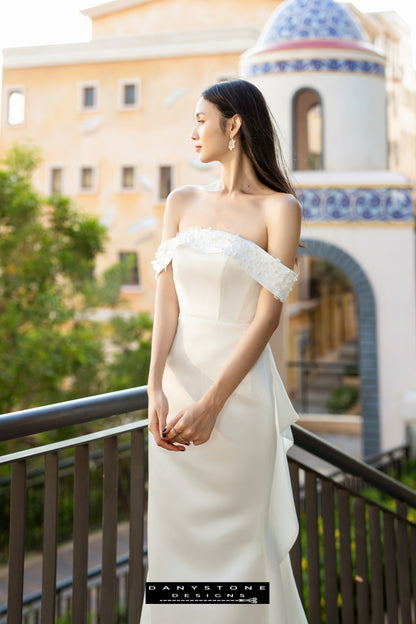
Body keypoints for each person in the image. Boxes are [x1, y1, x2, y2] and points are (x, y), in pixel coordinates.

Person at [140, 79, 308, 623]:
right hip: (176, 392)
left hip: (237, 400)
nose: (193, 133)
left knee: (238, 554)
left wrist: (212, 404)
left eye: (200, 120)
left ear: (232, 125)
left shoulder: (280, 209)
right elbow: (166, 301)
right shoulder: (182, 201)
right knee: (176, 552)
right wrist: (153, 387)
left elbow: (267, 318)